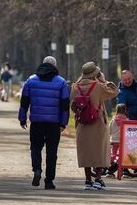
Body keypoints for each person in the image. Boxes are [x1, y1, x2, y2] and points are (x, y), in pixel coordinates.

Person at [18, 56, 70, 190]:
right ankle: (49, 181)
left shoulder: (31, 80)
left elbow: (24, 101)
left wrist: (22, 118)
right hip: (54, 123)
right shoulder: (61, 82)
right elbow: (65, 105)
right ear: (55, 66)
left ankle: (37, 169)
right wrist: (63, 123)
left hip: (37, 121)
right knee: (52, 151)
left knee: (35, 147)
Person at [72, 62, 119, 190]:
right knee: (100, 151)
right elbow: (114, 91)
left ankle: (88, 180)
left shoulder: (75, 87)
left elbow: (73, 106)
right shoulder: (98, 86)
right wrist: (104, 80)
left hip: (82, 124)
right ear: (95, 74)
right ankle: (98, 179)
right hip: (98, 123)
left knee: (86, 152)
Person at [108, 104, 128, 176]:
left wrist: (111, 136)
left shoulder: (113, 120)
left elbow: (109, 130)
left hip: (114, 140)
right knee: (121, 155)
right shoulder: (126, 120)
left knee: (113, 154)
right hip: (122, 141)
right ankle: (120, 170)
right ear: (125, 111)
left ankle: (110, 165)